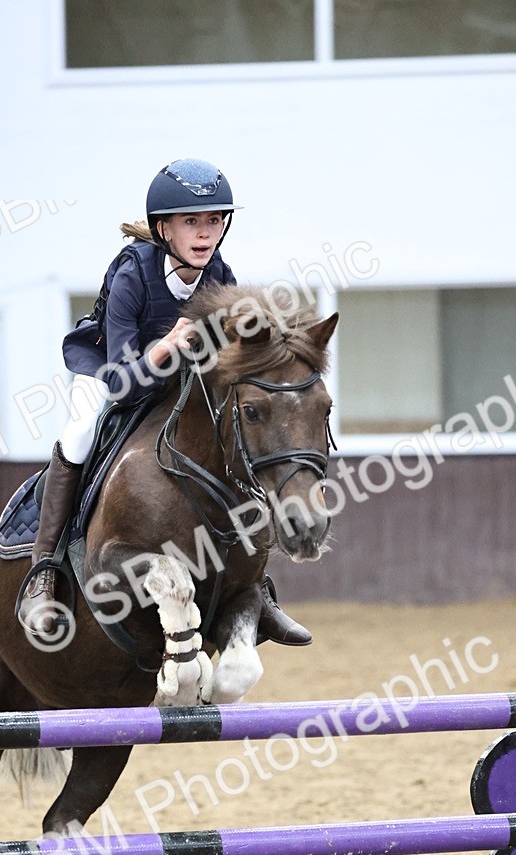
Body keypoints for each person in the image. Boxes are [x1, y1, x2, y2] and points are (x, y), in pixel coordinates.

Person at [18, 157, 311, 647]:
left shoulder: (218, 272)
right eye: (191, 222)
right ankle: (43, 570)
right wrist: (167, 346)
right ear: (164, 228)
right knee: (80, 431)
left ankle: (256, 588)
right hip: (112, 370)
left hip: (177, 379)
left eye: (214, 220)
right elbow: (121, 382)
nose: (205, 233)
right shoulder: (133, 272)